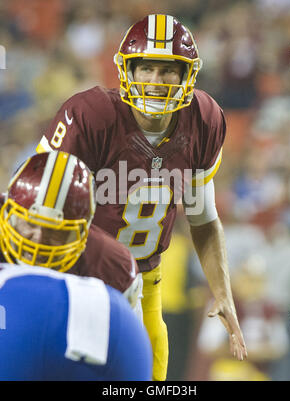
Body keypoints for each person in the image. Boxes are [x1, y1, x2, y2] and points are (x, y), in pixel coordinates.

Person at [36, 14, 247, 381]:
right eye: (146, 68)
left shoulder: (204, 119)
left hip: (146, 283)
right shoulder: (92, 115)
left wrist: (222, 291)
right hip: (79, 277)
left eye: (168, 71)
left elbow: (203, 217)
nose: (155, 81)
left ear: (187, 76)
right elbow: (38, 203)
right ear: (126, 71)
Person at [0, 151, 152, 381]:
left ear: (84, 231)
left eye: (56, 232)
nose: (38, 239)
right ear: (7, 212)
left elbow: (124, 353)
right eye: (29, 223)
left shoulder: (111, 267)